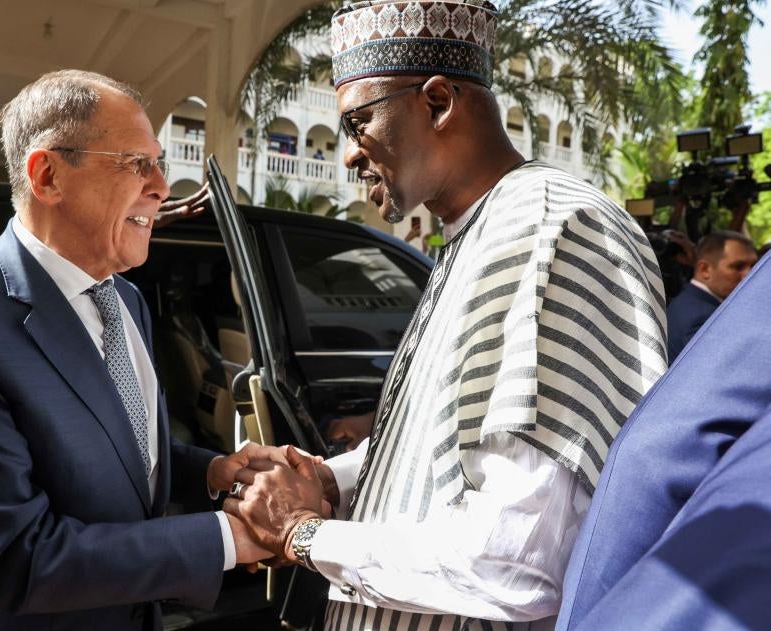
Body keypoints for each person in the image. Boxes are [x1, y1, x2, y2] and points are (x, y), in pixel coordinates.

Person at [223, 2, 668, 630]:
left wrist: (301, 534)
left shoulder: (547, 229)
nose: (349, 155)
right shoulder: (481, 231)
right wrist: (334, 479)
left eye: (358, 123)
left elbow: (514, 558)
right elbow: (454, 447)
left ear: (437, 102)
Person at [0, 70, 279, 631]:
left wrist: (211, 471)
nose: (162, 185)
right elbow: (17, 556)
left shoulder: (125, 300)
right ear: (48, 175)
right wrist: (239, 535)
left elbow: (114, 444)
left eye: (158, 163)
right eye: (137, 163)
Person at [556, 254, 771, 631]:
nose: (744, 274)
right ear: (704, 268)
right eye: (737, 265)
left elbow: (660, 451)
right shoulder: (696, 311)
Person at [665, 230, 757, 363]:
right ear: (705, 269)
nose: (749, 274)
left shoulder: (692, 303)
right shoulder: (703, 318)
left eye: (754, 266)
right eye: (738, 267)